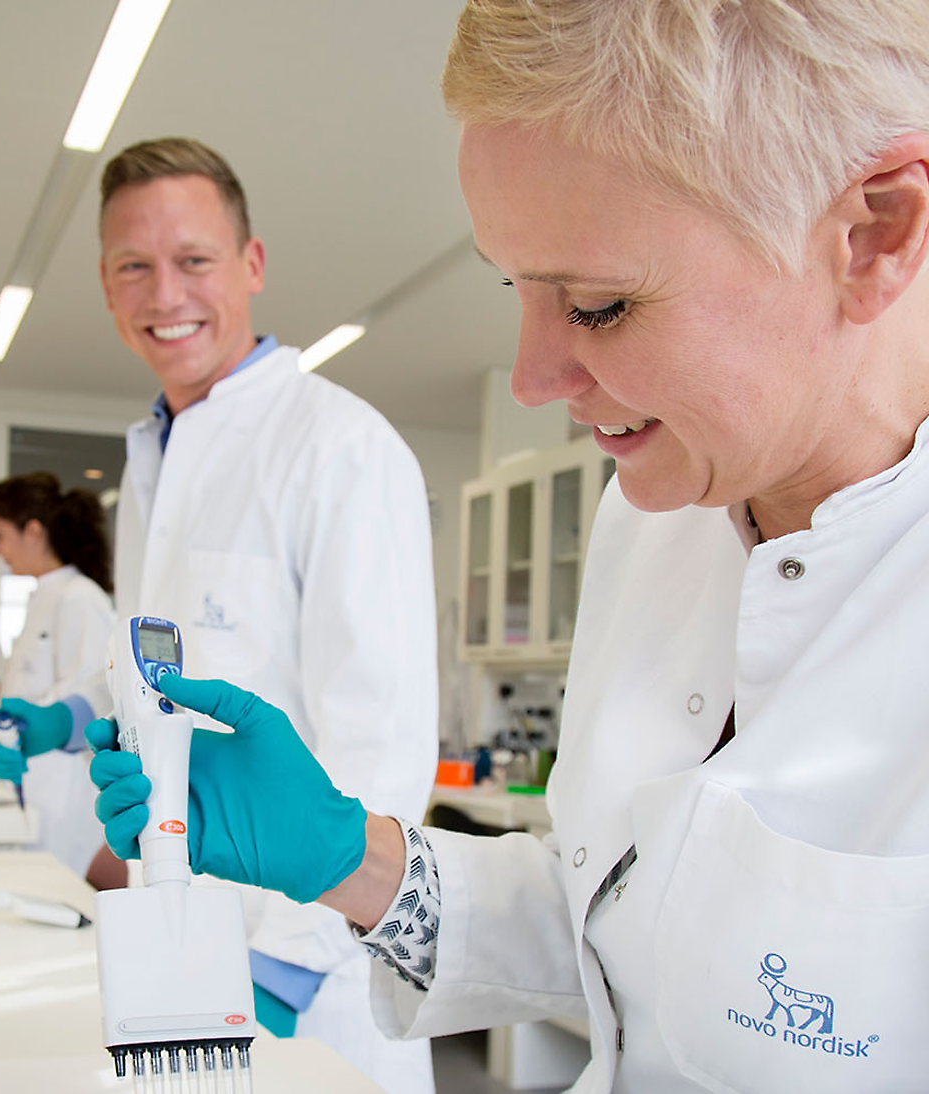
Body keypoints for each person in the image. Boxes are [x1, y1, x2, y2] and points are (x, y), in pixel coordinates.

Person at [90, 2, 929, 1091]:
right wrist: (349, 854)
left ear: (872, 236)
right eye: (514, 286)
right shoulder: (652, 517)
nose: (532, 377)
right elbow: (611, 932)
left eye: (600, 303)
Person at [89, 137, 439, 1091]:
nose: (166, 295)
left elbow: (386, 740)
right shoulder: (152, 464)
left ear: (251, 265)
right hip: (179, 962)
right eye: (135, 267)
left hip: (307, 989)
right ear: (107, 286)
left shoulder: (341, 449)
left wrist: (279, 972)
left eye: (194, 260)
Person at [0, 472, 123, 889]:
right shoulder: (44, 596)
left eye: (0, 534)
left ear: (33, 531)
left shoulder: (81, 598)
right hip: (35, 785)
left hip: (66, 792)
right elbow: (25, 692)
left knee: (59, 898)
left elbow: (91, 697)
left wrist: (2, 723)